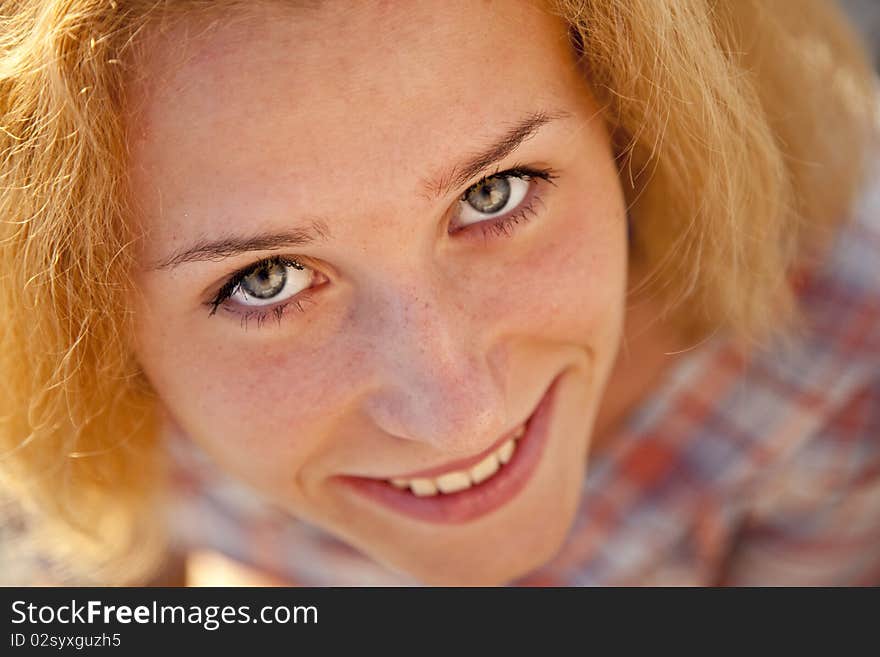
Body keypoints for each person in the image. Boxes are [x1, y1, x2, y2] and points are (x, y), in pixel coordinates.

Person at [0, 0, 877, 586]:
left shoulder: (839, 356)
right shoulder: (71, 405)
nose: (458, 417)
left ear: (629, 112)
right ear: (77, 303)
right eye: (265, 281)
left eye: (493, 192)